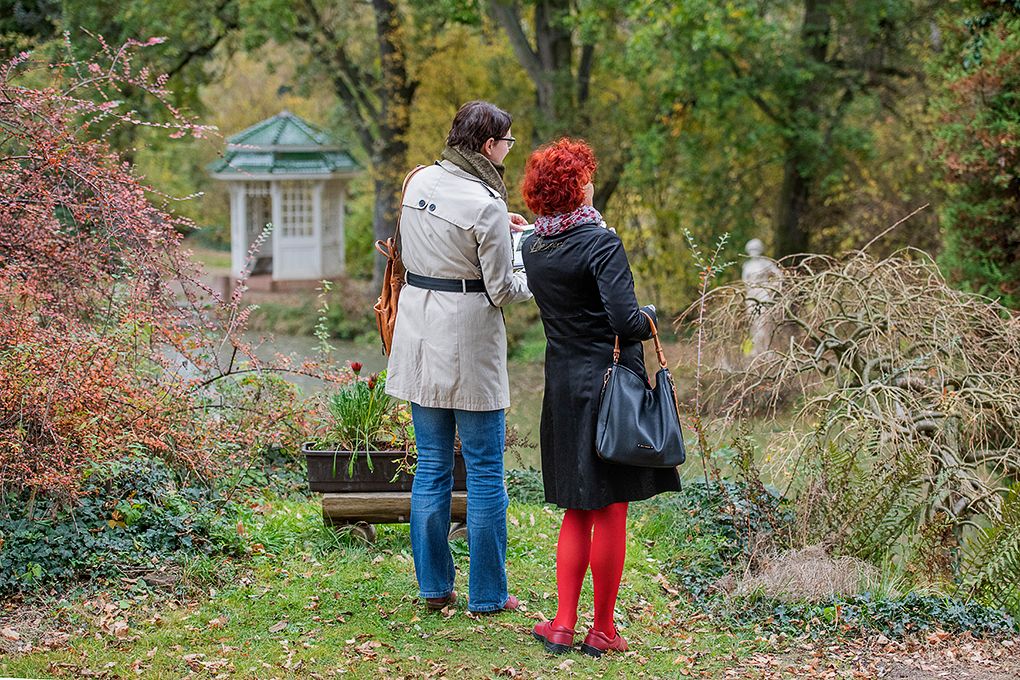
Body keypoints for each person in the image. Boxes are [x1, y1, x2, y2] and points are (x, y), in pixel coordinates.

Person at [520, 139, 680, 656]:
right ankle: (603, 630)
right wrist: (651, 317)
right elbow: (624, 321)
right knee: (610, 509)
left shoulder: (534, 247)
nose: (591, 180)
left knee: (576, 509)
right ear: (577, 187)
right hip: (611, 386)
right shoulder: (600, 243)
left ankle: (563, 625)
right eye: (586, 175)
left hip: (564, 384)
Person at [385, 101, 532, 614]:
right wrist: (533, 275)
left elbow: (421, 246)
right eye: (507, 143)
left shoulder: (419, 182)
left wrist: (499, 227)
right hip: (468, 334)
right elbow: (500, 289)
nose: (509, 153)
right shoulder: (485, 203)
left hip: (419, 326)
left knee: (430, 466)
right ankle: (488, 595)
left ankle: (433, 588)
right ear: (489, 145)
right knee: (487, 469)